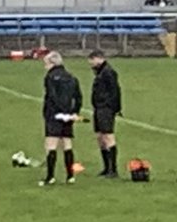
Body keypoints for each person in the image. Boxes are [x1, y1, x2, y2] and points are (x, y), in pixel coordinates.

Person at [39, 51, 82, 187]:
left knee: (51, 144)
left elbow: (52, 96)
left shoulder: (50, 77)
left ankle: (50, 176)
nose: (45, 66)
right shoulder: (71, 77)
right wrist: (73, 112)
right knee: (67, 144)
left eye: (46, 63)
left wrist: (59, 112)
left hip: (54, 114)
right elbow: (79, 97)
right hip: (68, 115)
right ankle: (70, 176)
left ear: (52, 63)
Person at [88, 50, 121, 178]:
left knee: (108, 136)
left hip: (106, 108)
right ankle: (106, 167)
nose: (90, 64)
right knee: (100, 137)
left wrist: (114, 108)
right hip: (98, 108)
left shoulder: (108, 72)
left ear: (98, 58)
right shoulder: (100, 72)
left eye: (91, 61)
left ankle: (113, 169)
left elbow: (115, 91)